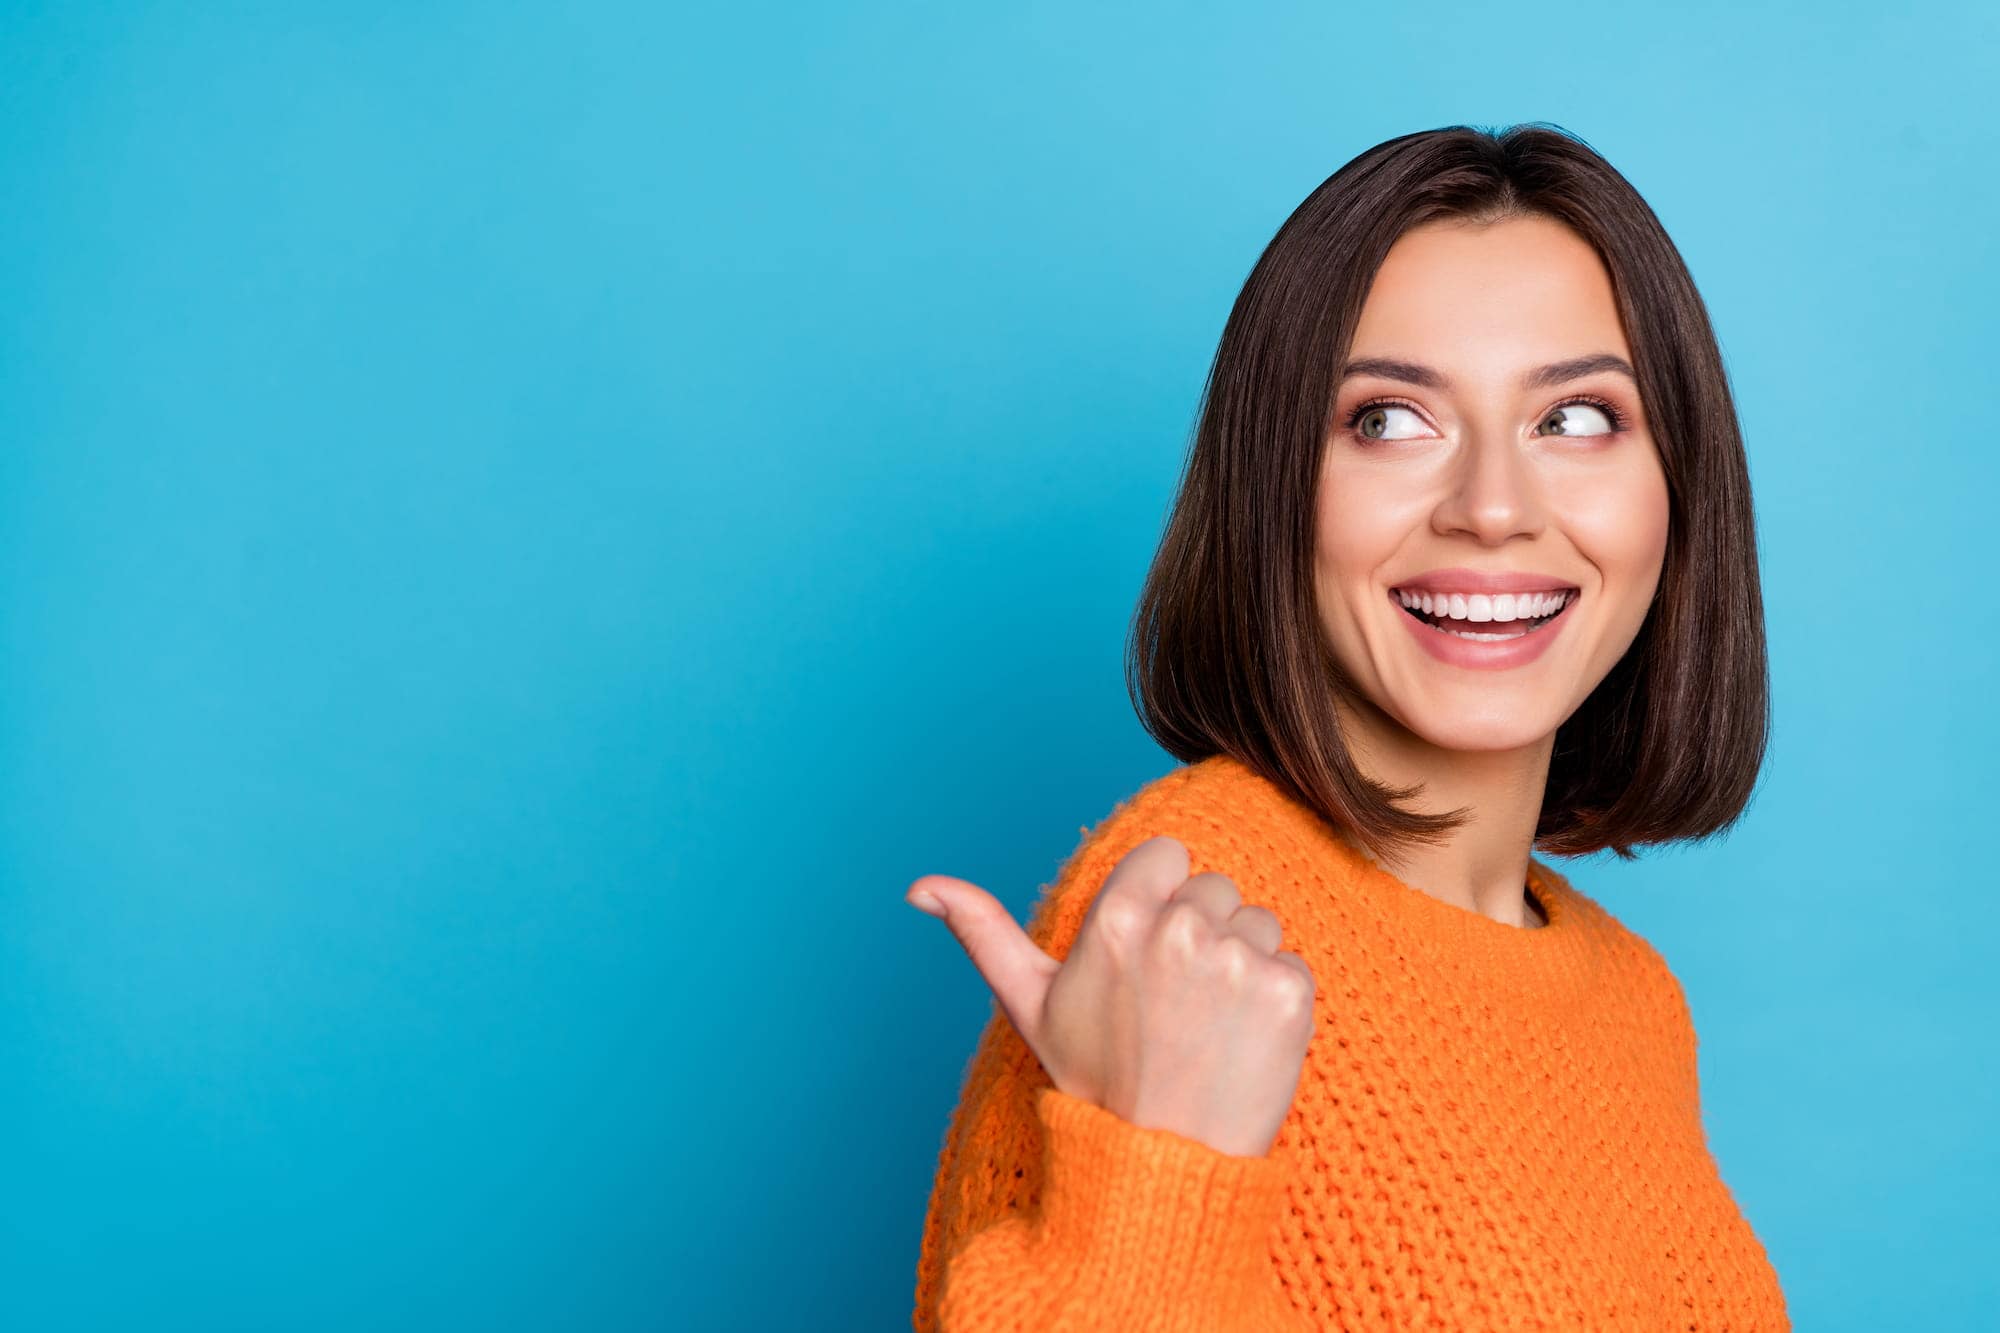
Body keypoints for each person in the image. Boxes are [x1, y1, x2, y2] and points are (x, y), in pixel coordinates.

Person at [905, 123, 1789, 1331]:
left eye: (1577, 419)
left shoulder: (1631, 999)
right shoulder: (1186, 923)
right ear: (1275, 489)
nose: (1490, 508)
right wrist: (1157, 1173)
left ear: (1678, 491)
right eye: (1385, 420)